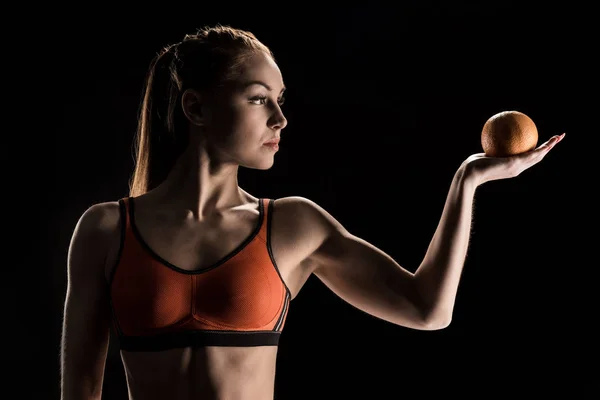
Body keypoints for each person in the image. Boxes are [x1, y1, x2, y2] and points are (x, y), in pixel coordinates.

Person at [59, 24, 565, 400]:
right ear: (195, 109)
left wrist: (468, 181)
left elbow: (427, 310)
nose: (280, 118)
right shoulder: (106, 231)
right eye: (259, 99)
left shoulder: (293, 225)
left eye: (279, 100)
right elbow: (80, 389)